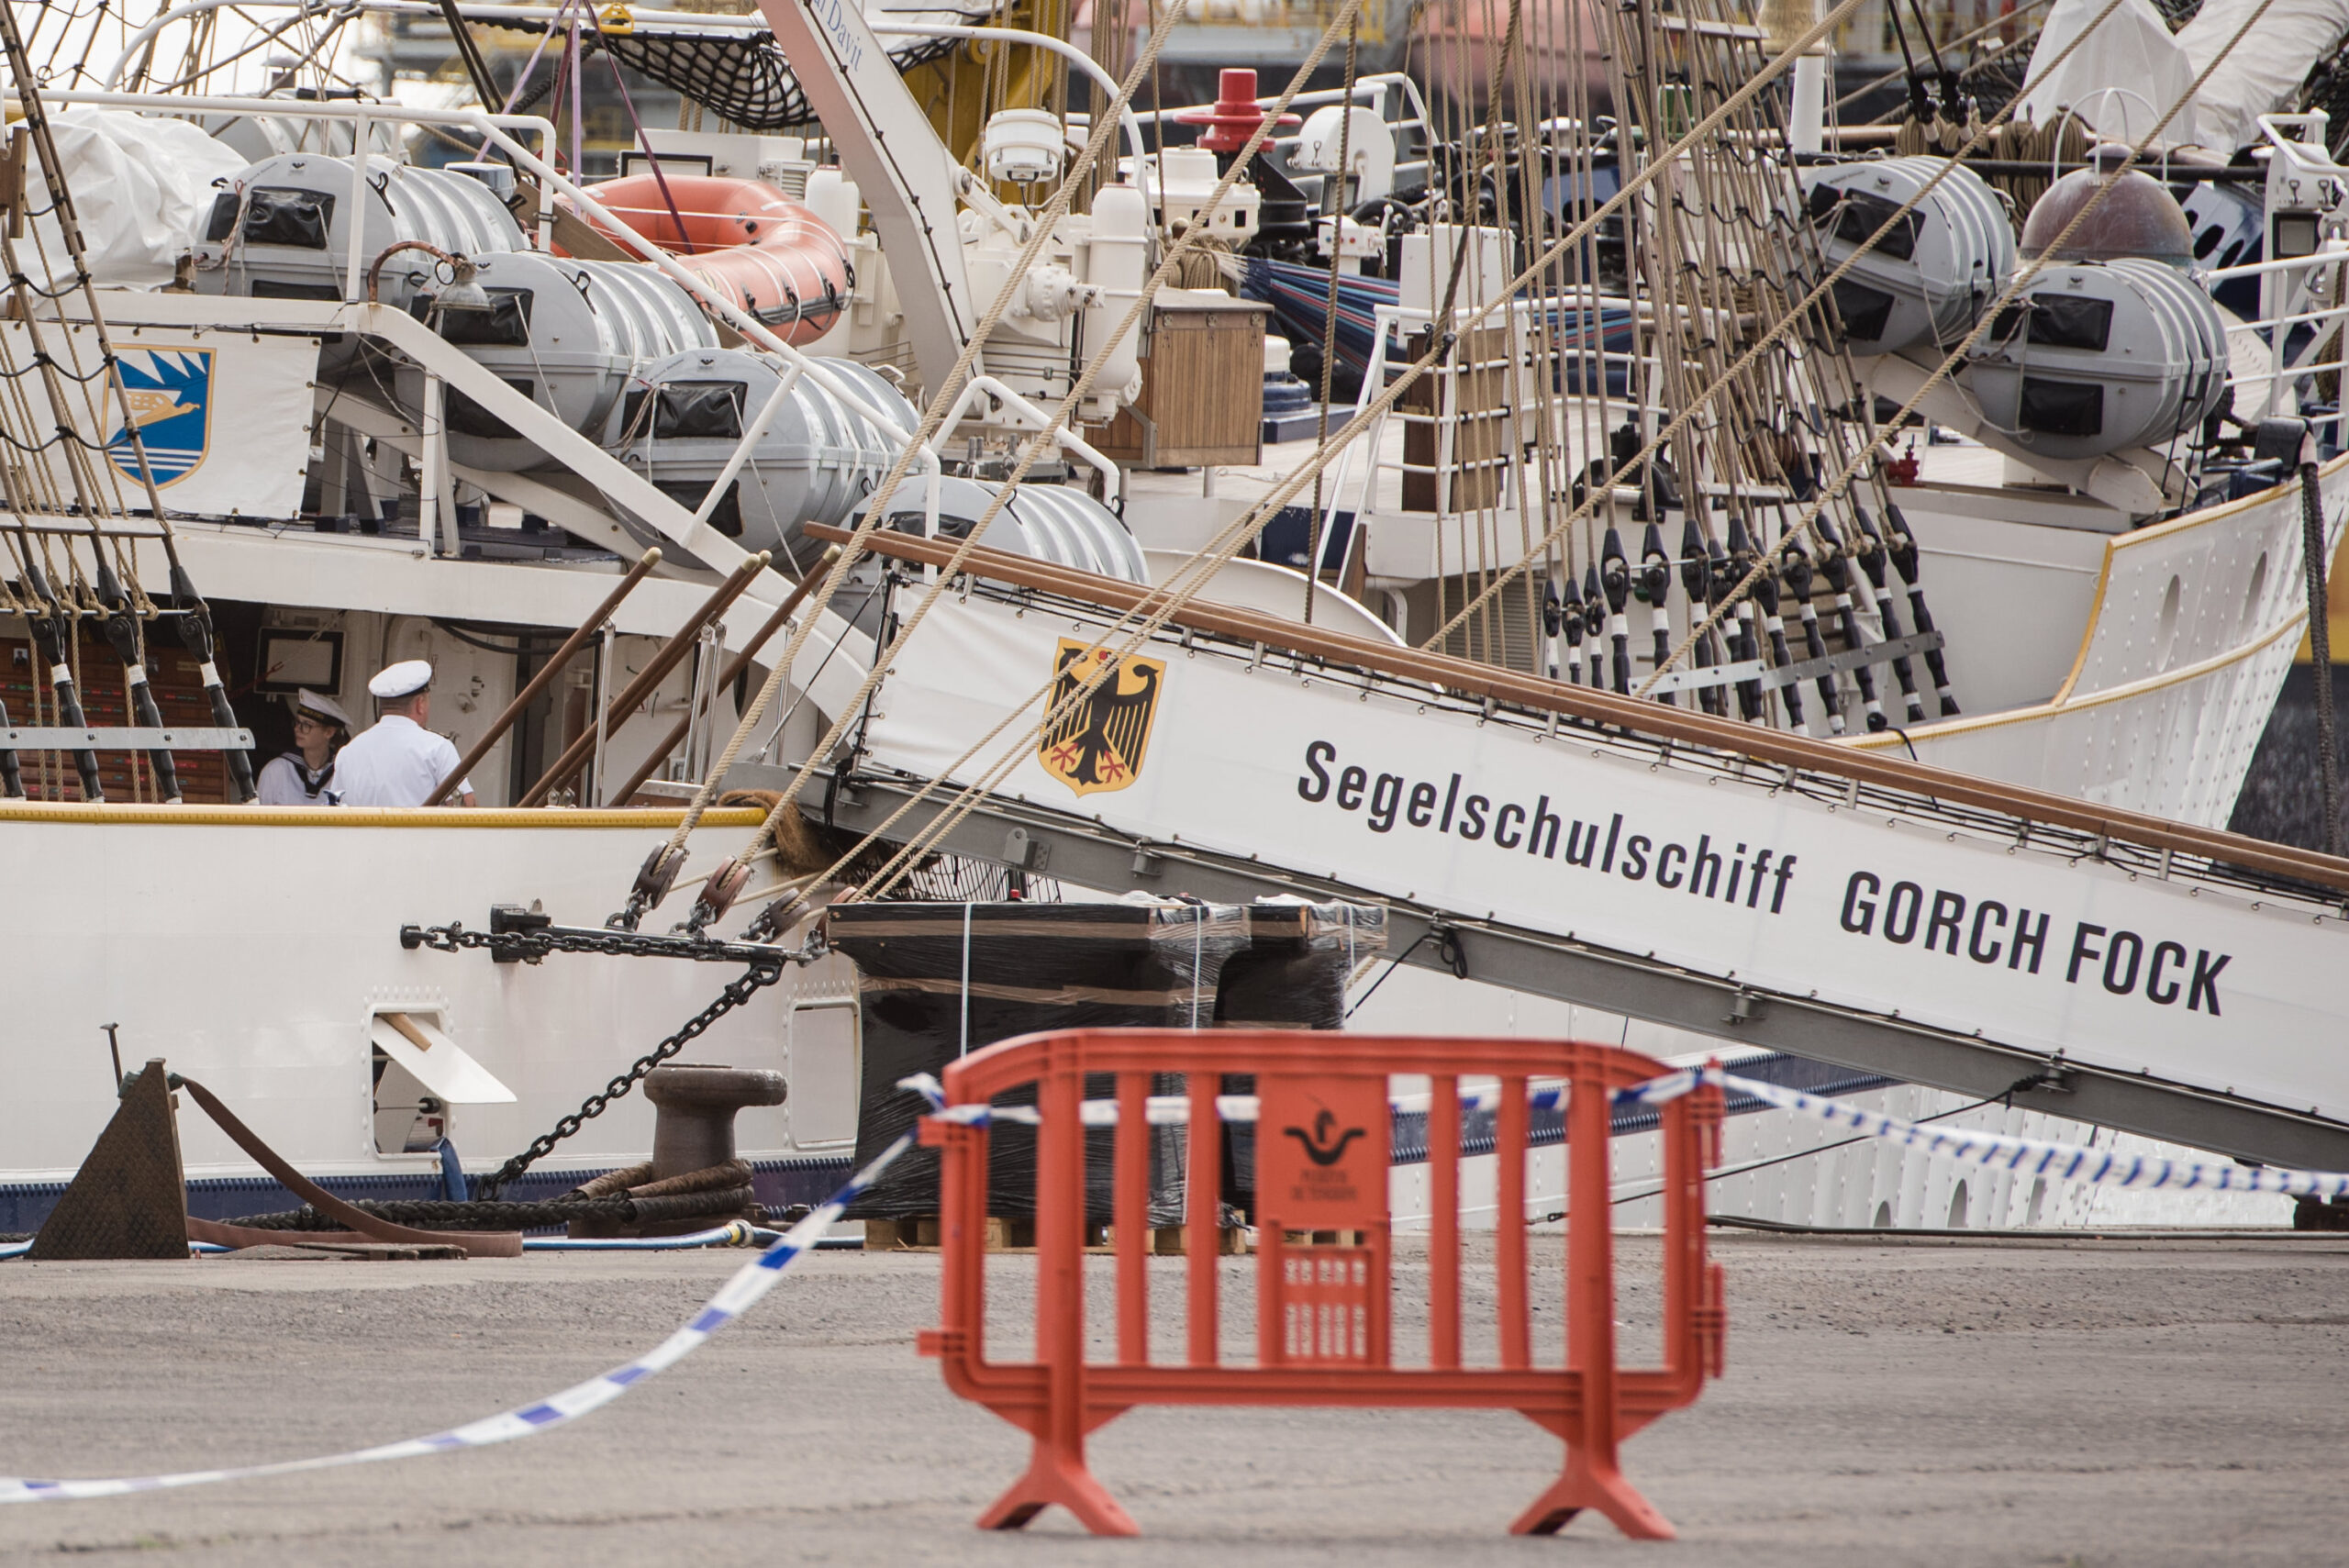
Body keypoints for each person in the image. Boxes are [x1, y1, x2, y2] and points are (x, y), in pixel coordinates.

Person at [332, 660, 476, 807]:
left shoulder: (348, 752)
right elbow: (466, 806)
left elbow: (334, 810)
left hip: (361, 831)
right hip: (418, 831)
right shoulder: (438, 748)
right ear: (420, 704)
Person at [254, 688, 350, 805]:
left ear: (329, 732)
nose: (297, 729)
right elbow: (258, 817)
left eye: (306, 725)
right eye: (297, 722)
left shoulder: (342, 772)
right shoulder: (276, 770)